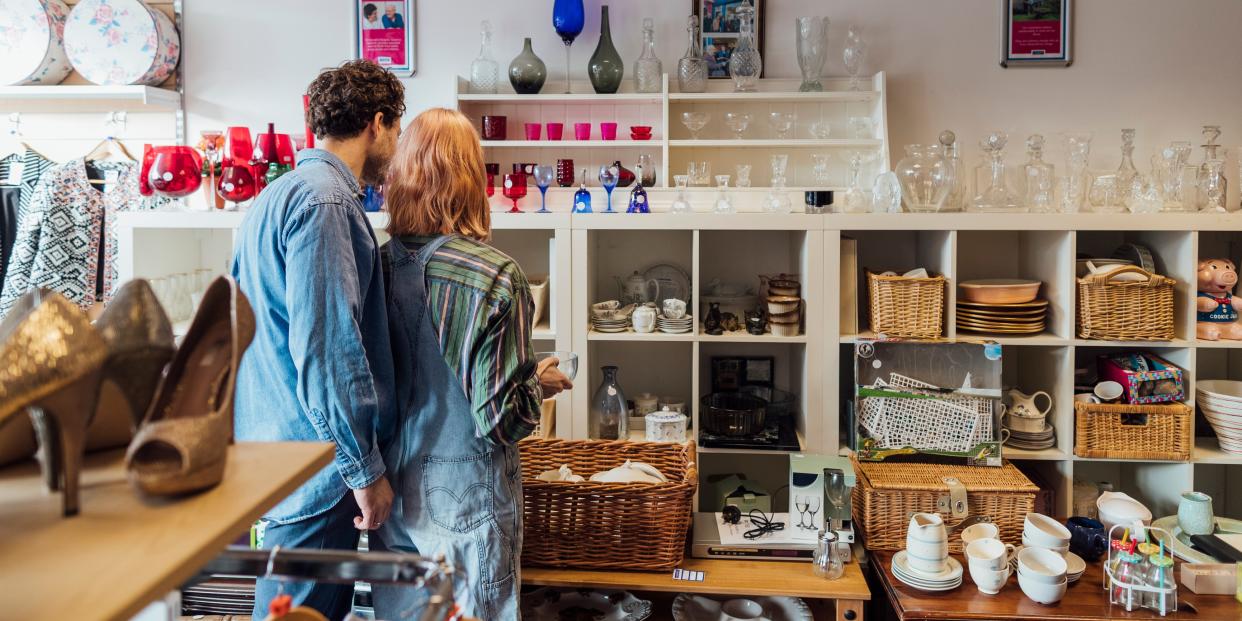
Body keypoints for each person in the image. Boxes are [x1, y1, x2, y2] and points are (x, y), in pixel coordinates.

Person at [370, 108, 572, 620]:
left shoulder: (376, 264)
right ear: (470, 181)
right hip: (464, 498)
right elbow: (503, 420)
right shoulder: (495, 275)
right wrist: (536, 384)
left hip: (388, 493)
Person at [231, 59, 405, 620]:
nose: (397, 147)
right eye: (397, 131)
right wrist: (365, 470)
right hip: (318, 466)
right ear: (377, 123)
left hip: (275, 452)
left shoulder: (273, 197)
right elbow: (328, 354)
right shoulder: (327, 204)